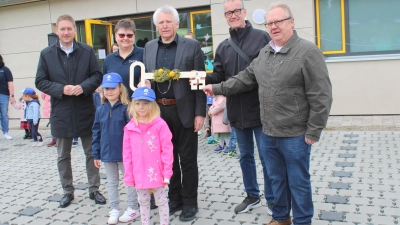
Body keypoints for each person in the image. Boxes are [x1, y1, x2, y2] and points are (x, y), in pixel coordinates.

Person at [203, 3, 333, 225]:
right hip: (269, 131)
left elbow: (321, 95)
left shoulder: (308, 52)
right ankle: (281, 218)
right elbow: (245, 78)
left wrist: (314, 130)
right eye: (270, 23)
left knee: (298, 182)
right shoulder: (265, 53)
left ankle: (302, 220)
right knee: (276, 179)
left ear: (291, 22)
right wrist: (216, 88)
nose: (273, 27)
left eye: (278, 22)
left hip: (295, 133)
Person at [203, 0, 273, 215]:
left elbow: (267, 72)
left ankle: (273, 200)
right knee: (245, 157)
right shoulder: (223, 47)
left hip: (260, 109)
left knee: (267, 156)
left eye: (235, 11)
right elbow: (220, 76)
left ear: (244, 12)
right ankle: (252, 195)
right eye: (227, 13)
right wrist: (201, 76)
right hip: (236, 110)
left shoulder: (262, 38)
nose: (232, 15)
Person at [142, 5, 206, 221]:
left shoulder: (192, 46)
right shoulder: (149, 47)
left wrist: (200, 113)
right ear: (156, 26)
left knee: (187, 160)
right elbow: (146, 80)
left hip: (185, 112)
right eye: (161, 22)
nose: (165, 25)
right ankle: (175, 197)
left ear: (177, 24)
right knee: (166, 159)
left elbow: (198, 81)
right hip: (159, 113)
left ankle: (190, 202)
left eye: (169, 21)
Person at [35, 14, 105, 208]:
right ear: (57, 31)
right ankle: (68, 191)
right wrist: (61, 89)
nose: (66, 32)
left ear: (75, 30)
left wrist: (83, 87)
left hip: (85, 109)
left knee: (91, 152)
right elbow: (40, 81)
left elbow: (97, 75)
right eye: (62, 29)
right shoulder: (46, 54)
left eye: (69, 28)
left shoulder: (87, 51)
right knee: (63, 155)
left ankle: (94, 189)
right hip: (61, 110)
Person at [92, 73, 140, 224]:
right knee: (112, 182)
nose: (109, 91)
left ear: (120, 88)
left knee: (130, 181)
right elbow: (96, 132)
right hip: (107, 154)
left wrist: (134, 151)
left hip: (125, 154)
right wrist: (96, 154)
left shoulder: (127, 108)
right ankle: (114, 209)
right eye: (106, 88)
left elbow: (134, 131)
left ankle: (133, 208)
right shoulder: (100, 109)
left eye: (112, 88)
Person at [123, 86, 173, 225]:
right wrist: (129, 175)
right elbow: (127, 154)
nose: (141, 107)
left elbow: (167, 150)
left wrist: (167, 172)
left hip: (157, 172)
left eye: (145, 103)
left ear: (152, 105)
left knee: (161, 200)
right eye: (138, 103)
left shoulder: (160, 125)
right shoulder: (130, 127)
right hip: (139, 172)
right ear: (133, 105)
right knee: (143, 201)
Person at [103, 19, 144, 99]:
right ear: (115, 36)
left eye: (129, 35)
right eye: (121, 35)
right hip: (116, 107)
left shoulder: (144, 54)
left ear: (134, 36)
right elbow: (105, 86)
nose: (125, 38)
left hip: (138, 107)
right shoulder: (108, 59)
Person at [0, 54, 15, 140]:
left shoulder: (5, 70)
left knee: (4, 115)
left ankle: (5, 132)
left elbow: (10, 83)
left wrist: (11, 96)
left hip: (4, 95)